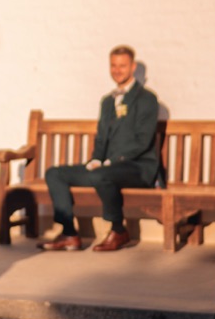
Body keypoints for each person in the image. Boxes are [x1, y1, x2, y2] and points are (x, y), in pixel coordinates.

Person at [38, 45, 160, 252]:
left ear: (132, 67)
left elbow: (143, 141)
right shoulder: (107, 101)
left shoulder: (146, 99)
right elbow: (102, 138)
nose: (117, 70)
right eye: (113, 65)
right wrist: (96, 159)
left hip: (137, 167)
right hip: (105, 168)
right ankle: (69, 233)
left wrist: (111, 162)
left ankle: (118, 230)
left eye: (122, 66)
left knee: (100, 176)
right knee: (55, 174)